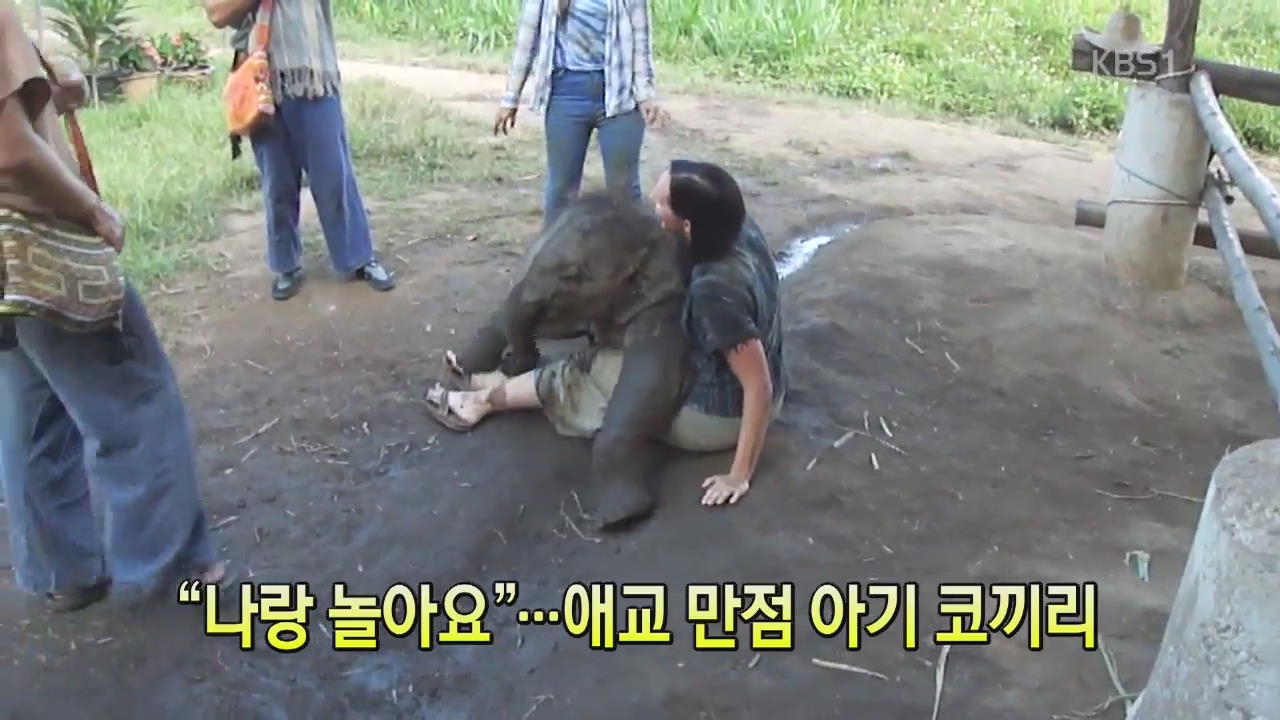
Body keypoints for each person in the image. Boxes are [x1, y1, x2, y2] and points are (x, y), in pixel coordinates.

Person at [0, 1, 227, 612]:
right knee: (138, 400)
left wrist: (49, 97)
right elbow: (10, 151)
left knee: (32, 412)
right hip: (35, 246)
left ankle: (62, 570)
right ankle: (168, 566)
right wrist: (91, 209)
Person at [427, 159, 786, 507]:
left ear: (689, 224)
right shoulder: (736, 227)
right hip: (764, 376)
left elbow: (757, 386)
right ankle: (491, 378)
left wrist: (738, 475)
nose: (652, 206)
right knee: (612, 354)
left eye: (662, 204)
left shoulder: (710, 292)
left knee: (584, 369)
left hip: (724, 414)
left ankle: (484, 400)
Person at [203, 0, 394, 301]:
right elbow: (216, 13)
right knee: (277, 182)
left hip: (313, 72)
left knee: (333, 175)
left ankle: (357, 258)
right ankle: (285, 266)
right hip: (261, 78)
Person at [495, 0, 668, 228]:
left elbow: (640, 41)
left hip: (619, 94)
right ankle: (554, 257)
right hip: (565, 94)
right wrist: (510, 98)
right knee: (561, 189)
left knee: (623, 189)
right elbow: (527, 40)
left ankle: (632, 256)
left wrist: (645, 95)